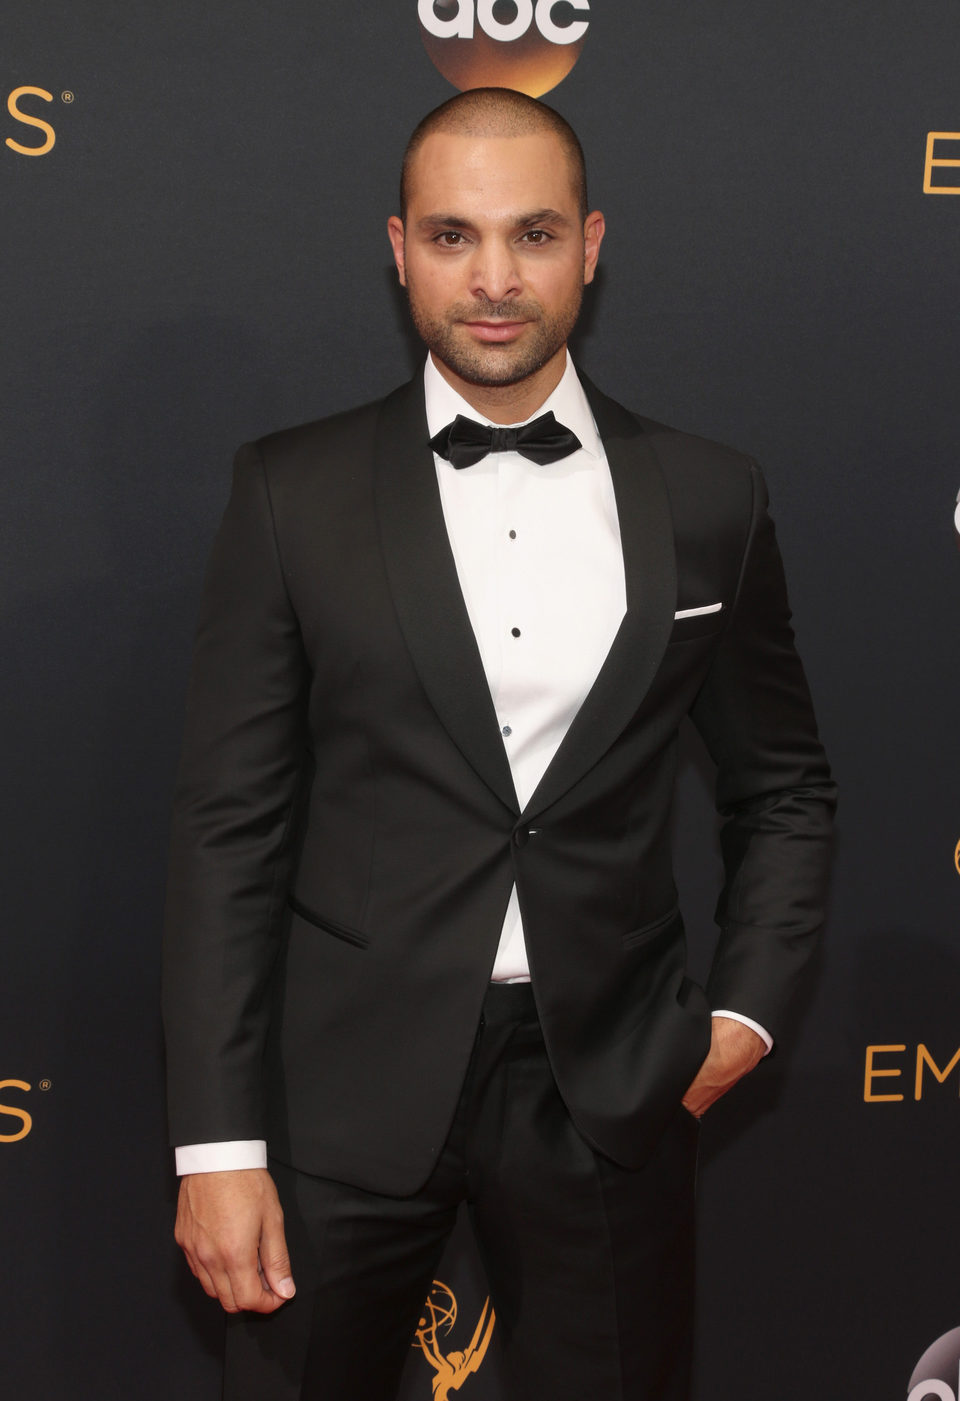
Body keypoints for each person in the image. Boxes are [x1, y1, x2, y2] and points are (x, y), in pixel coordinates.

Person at [162, 87, 835, 1401]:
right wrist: (217, 1145)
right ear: (400, 248)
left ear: (591, 245)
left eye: (531, 234)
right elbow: (226, 830)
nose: (494, 278)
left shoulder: (709, 496)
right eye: (455, 235)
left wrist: (746, 1013)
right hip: (336, 1089)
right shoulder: (291, 491)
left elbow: (785, 786)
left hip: (609, 1087)